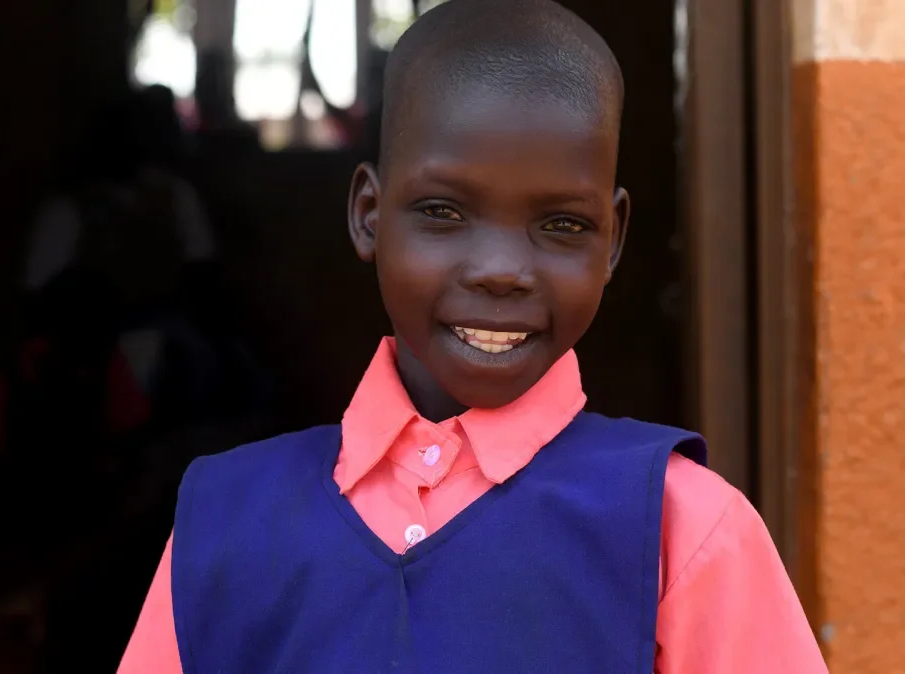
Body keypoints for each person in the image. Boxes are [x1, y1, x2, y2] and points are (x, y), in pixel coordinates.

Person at [118, 1, 826, 672]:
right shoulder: (225, 521)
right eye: (443, 211)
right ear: (368, 214)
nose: (500, 272)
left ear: (611, 240)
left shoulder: (681, 529)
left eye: (561, 224)